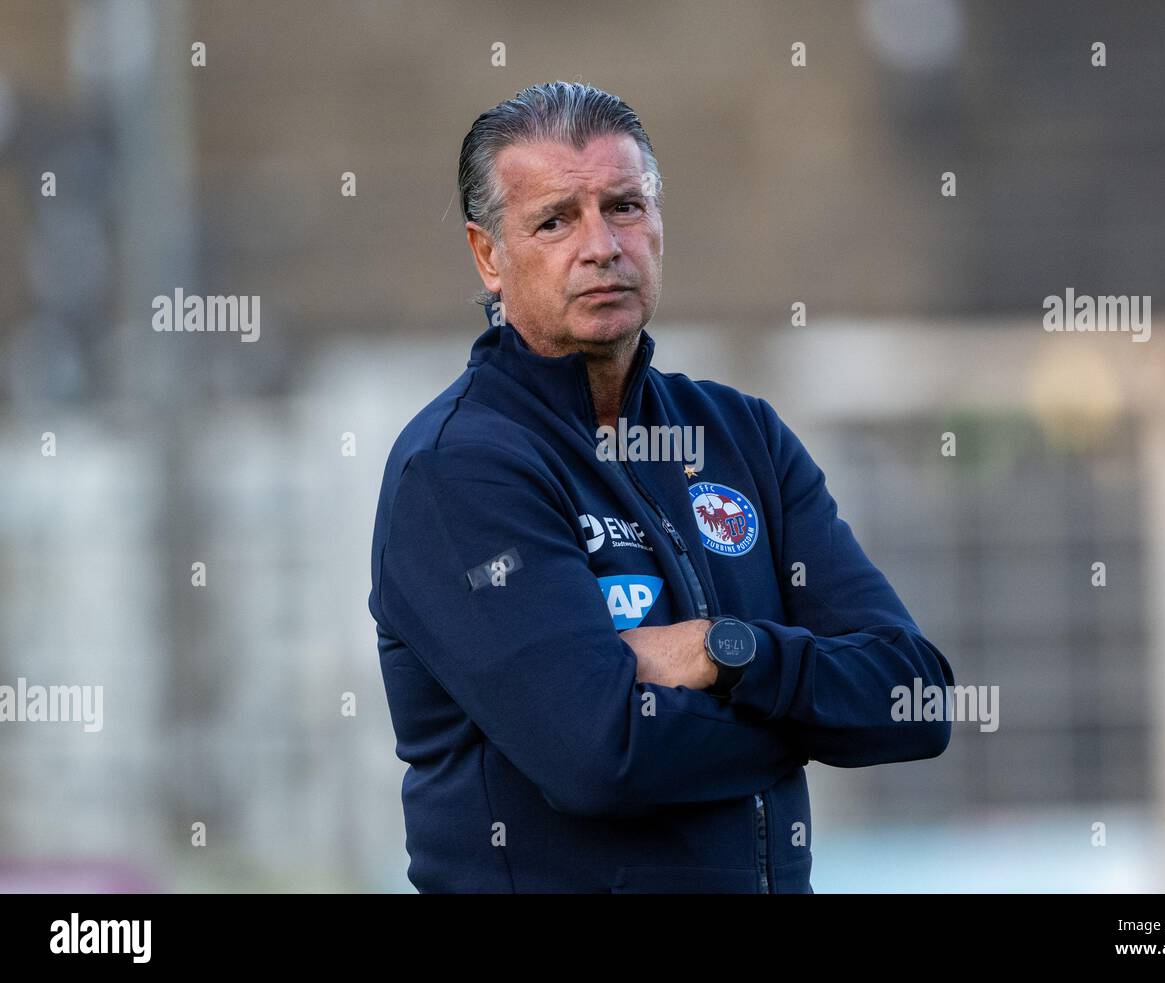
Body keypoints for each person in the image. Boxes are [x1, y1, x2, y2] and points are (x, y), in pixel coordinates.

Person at [368, 80, 954, 893]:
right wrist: (812, 718)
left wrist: (725, 652)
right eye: (555, 221)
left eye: (624, 206)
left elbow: (915, 698)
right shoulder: (460, 468)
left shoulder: (741, 436)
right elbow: (597, 757)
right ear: (487, 255)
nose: (601, 245)